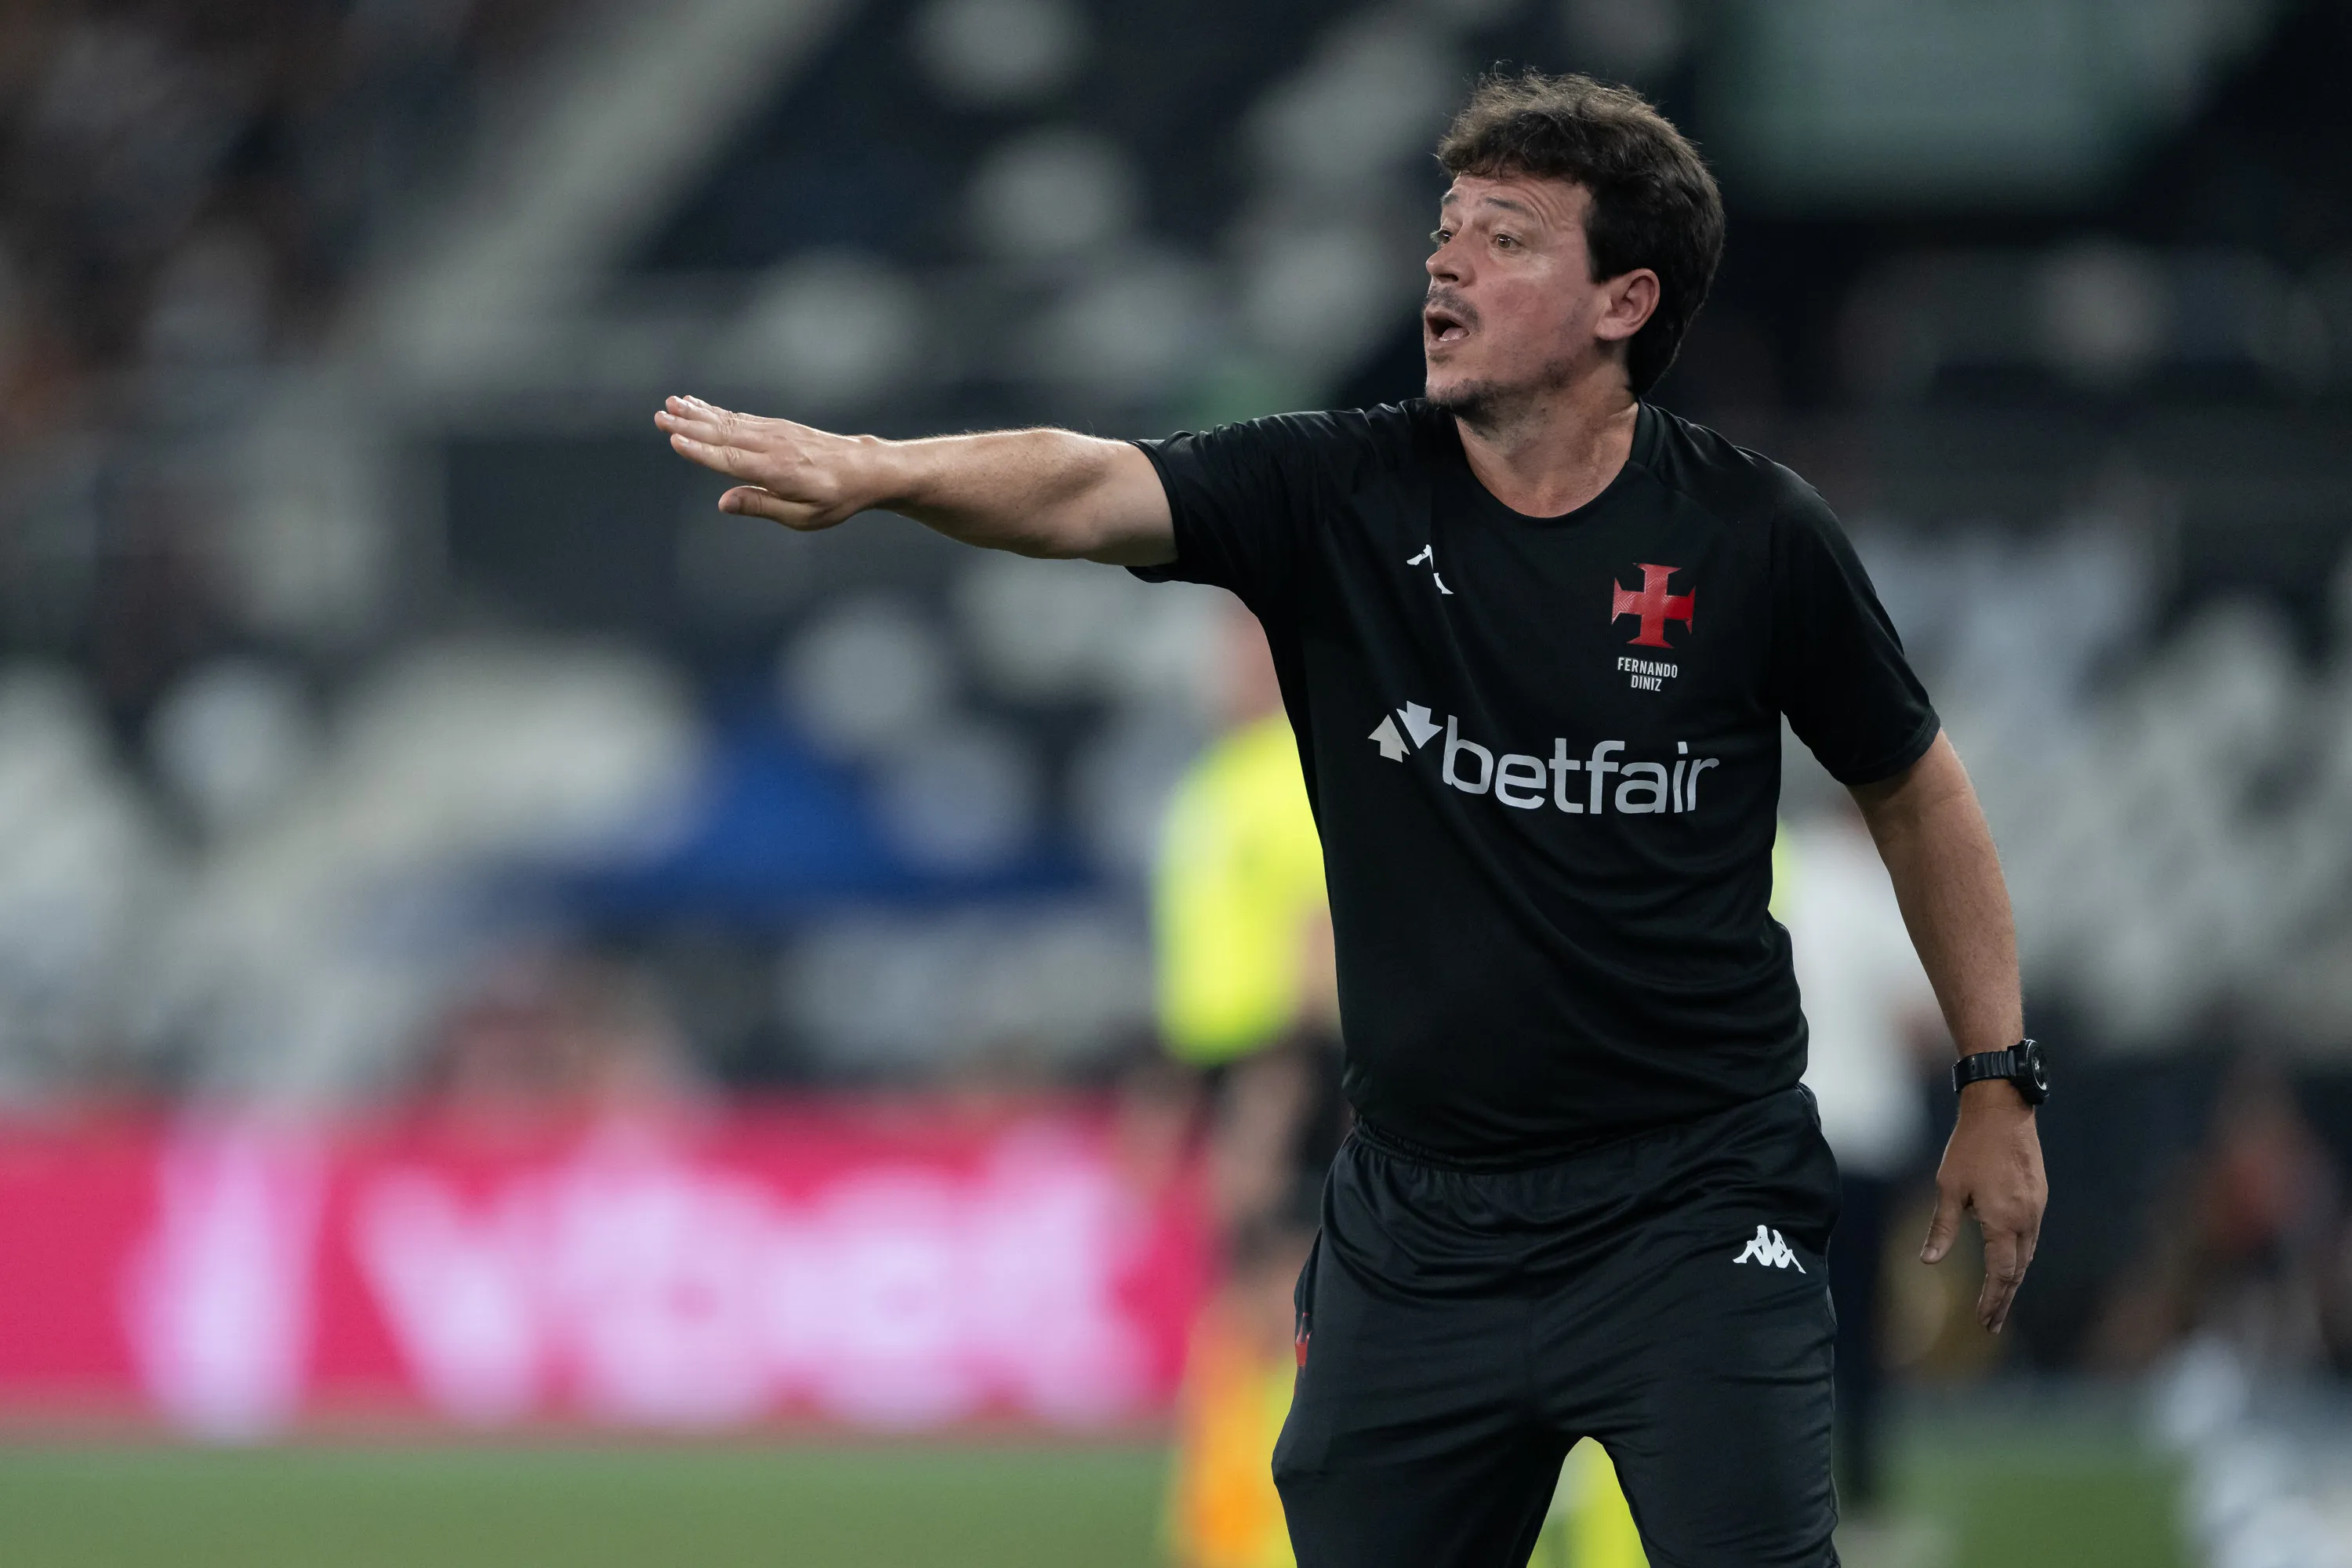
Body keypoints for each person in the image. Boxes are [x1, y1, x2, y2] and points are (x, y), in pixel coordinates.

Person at [655, 69, 2046, 1568]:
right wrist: (885, 473)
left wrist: (1996, 1076)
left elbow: (1917, 787)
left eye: (1506, 238)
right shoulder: (1339, 492)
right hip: (1419, 1226)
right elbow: (1082, 485)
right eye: (1446, 227)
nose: (1445, 262)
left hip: (1693, 1210)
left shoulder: (1753, 536)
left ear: (1622, 301)